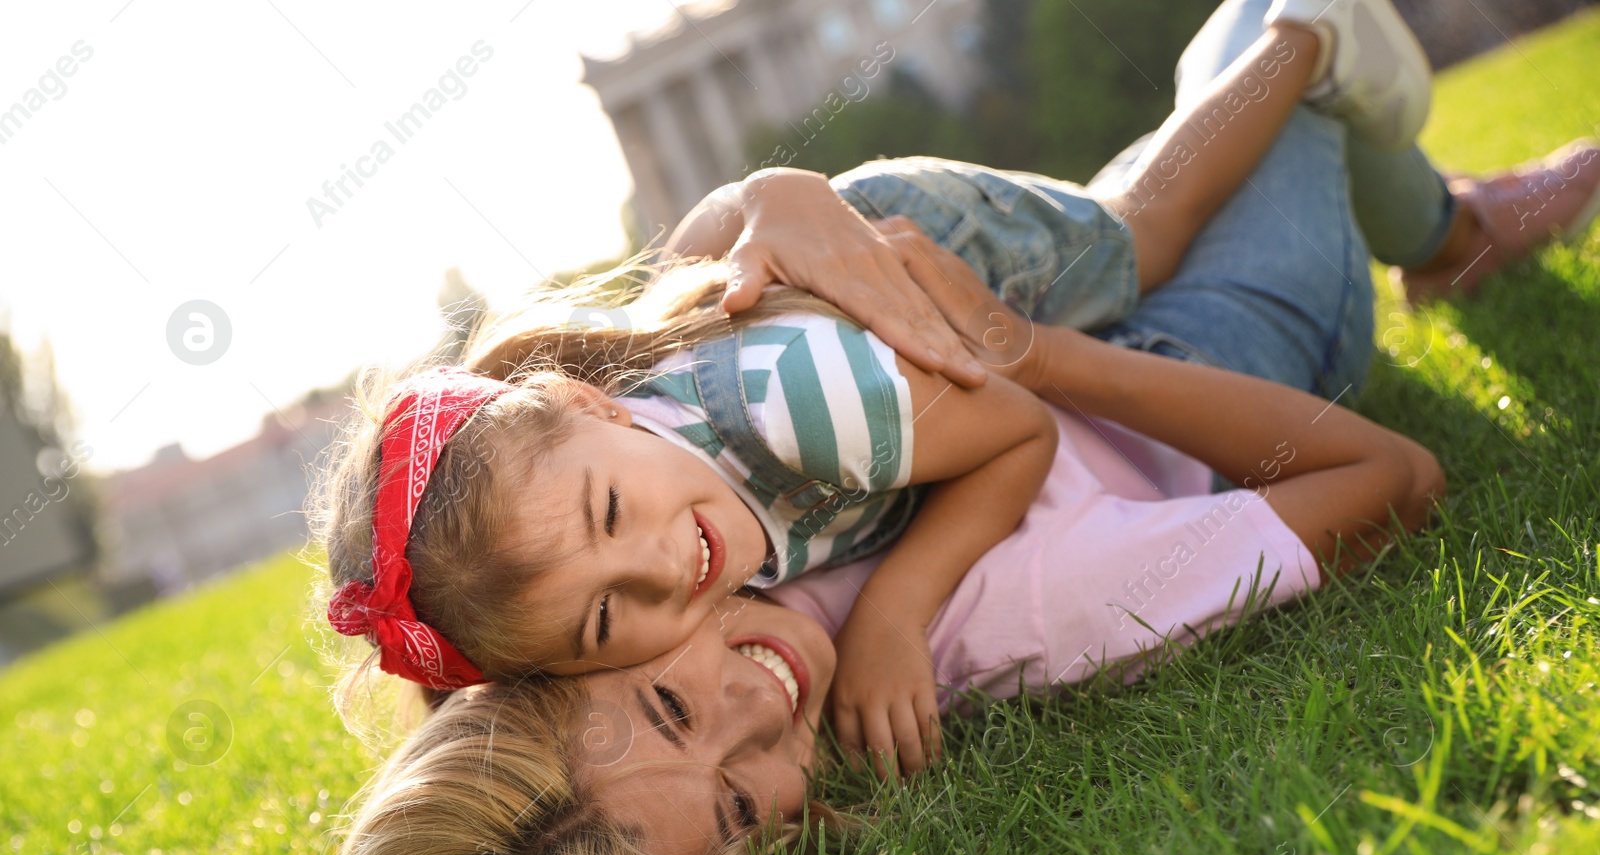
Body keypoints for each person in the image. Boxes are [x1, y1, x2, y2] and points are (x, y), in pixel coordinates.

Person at [321, 0, 1600, 855]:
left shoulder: (660, 530)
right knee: (1272, 39)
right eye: (736, 806)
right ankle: (1411, 184)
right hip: (1229, 342)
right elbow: (1391, 475)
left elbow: (689, 315)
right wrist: (1024, 352)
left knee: (1118, 195)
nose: (758, 718)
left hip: (1042, 298)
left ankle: (1441, 218)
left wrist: (780, 202)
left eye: (667, 707)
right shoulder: (1012, 624)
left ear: (541, 681)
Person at [319, 0, 1436, 775]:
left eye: (613, 516)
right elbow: (691, 272)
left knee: (1144, 233)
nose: (664, 569)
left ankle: (1311, 33)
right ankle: (1449, 220)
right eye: (605, 615)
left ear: (592, 406)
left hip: (942, 274)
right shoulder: (597, 486)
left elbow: (1013, 425)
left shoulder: (802, 415)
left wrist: (899, 608)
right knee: (1178, 197)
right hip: (879, 340)